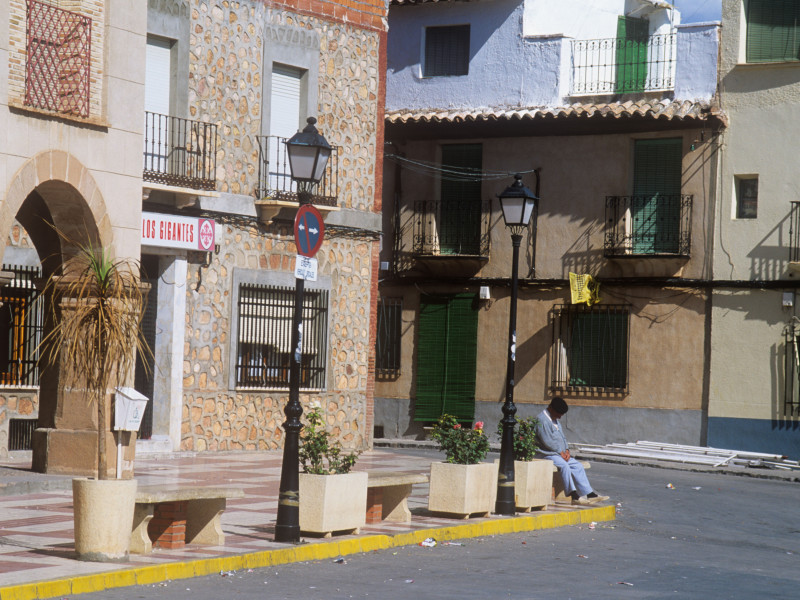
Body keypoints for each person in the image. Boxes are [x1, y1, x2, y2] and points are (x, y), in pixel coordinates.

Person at [534, 397, 609, 505]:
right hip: (546, 454)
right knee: (564, 466)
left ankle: (590, 494)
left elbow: (562, 437)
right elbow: (547, 441)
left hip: (558, 453)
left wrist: (567, 450)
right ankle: (574, 496)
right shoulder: (542, 420)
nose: (560, 417)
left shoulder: (554, 419)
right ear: (551, 408)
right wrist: (561, 452)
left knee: (577, 466)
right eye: (559, 413)